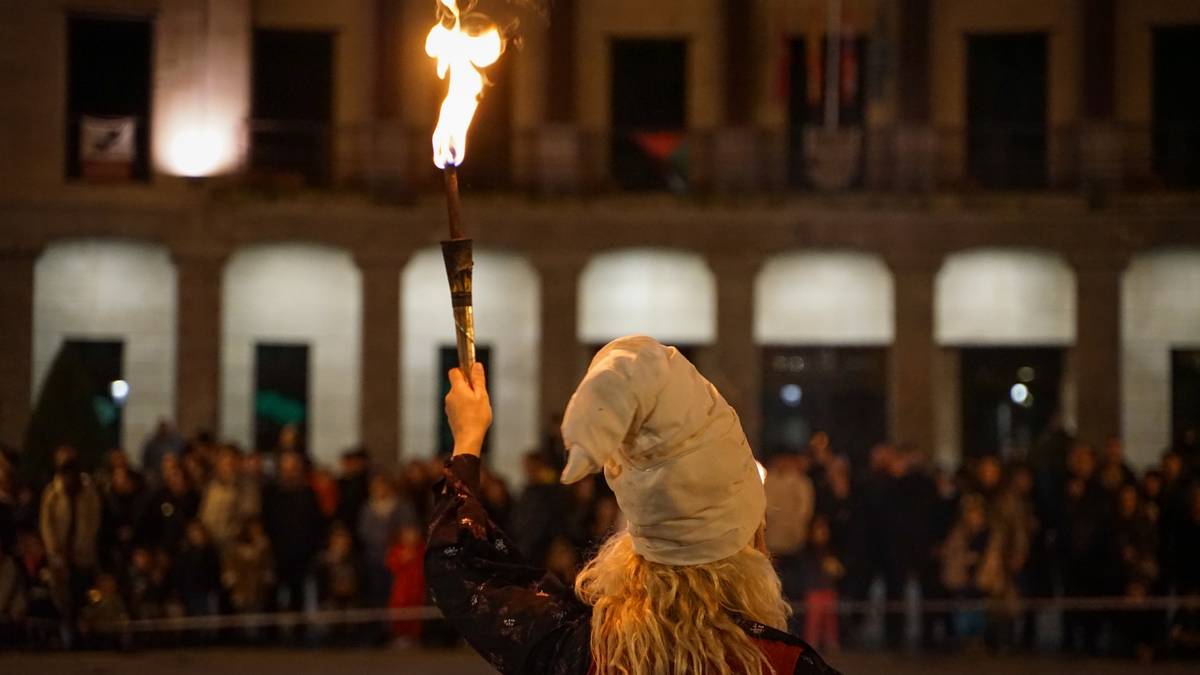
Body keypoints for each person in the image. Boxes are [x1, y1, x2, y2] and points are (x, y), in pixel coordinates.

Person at [427, 336, 840, 674]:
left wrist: (468, 437)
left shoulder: (579, 651)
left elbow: (459, 563)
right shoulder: (782, 665)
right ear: (749, 541)